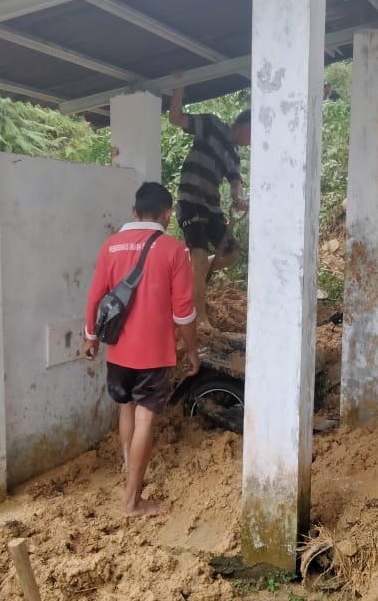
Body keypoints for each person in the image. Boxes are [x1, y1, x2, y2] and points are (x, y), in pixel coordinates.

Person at [82, 182, 199, 517]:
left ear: (134, 212)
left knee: (126, 407)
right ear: (167, 214)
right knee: (146, 416)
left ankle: (127, 469)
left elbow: (95, 296)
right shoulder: (174, 249)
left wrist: (91, 337)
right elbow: (183, 312)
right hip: (155, 352)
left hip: (118, 349)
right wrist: (191, 350)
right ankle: (132, 501)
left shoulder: (111, 245)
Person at [168, 84, 251, 329]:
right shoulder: (213, 126)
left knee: (232, 253)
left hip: (211, 208)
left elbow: (236, 184)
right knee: (200, 256)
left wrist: (240, 200)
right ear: (246, 124)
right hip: (190, 201)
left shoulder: (234, 156)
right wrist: (179, 88)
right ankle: (200, 318)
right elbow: (176, 119)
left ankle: (193, 274)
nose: (252, 143)